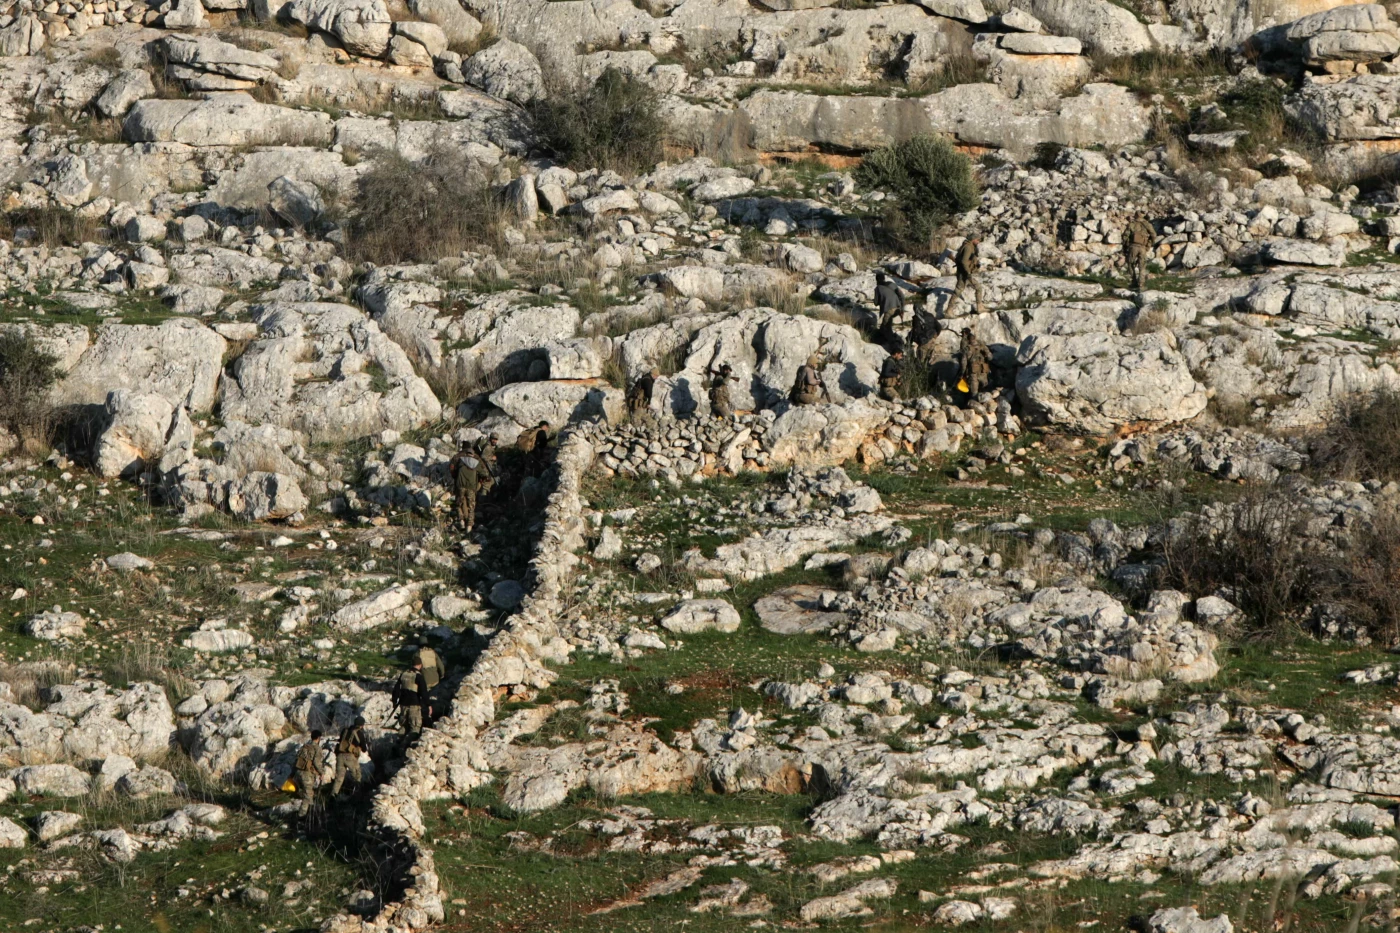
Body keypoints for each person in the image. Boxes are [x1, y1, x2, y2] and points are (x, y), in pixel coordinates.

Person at [393, 660, 430, 742]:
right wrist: (428, 705)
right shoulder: (418, 676)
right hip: (414, 705)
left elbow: (396, 689)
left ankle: (397, 744)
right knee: (415, 728)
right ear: (420, 665)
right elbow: (424, 692)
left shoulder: (404, 675)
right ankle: (408, 746)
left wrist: (394, 701)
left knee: (403, 726)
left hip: (403, 705)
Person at [447, 441, 481, 532]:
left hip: (460, 483)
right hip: (471, 485)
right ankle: (469, 526)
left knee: (459, 502)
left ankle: (461, 520)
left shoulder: (457, 456)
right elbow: (483, 472)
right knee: (471, 506)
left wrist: (455, 477)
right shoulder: (476, 457)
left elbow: (451, 468)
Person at [331, 718, 367, 797]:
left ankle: (333, 795)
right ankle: (357, 795)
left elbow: (341, 740)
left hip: (340, 756)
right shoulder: (359, 733)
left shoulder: (345, 730)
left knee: (339, 778)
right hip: (350, 757)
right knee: (357, 776)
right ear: (361, 725)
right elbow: (364, 748)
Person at [293, 729, 324, 815]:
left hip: (299, 772)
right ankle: (301, 816)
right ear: (318, 738)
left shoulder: (305, 746)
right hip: (307, 775)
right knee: (308, 796)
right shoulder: (317, 748)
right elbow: (317, 763)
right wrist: (322, 772)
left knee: (308, 794)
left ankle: (308, 813)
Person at [873, 272, 905, 352]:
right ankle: (886, 339)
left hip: (889, 310)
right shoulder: (892, 284)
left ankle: (894, 348)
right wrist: (902, 309)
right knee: (886, 325)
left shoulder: (878, 288)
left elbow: (876, 303)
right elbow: (902, 295)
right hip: (898, 308)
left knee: (886, 327)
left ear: (876, 280)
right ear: (884, 278)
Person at [953, 236, 985, 314]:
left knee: (978, 287)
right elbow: (964, 261)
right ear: (973, 239)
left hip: (965, 273)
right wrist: (968, 273)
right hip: (964, 274)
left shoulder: (970, 246)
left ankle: (980, 307)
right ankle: (949, 310)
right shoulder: (968, 247)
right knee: (958, 291)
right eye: (977, 239)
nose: (978, 242)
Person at [958, 327, 992, 398]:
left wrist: (962, 373)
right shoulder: (982, 345)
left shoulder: (967, 349)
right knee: (986, 391)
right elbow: (990, 357)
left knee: (974, 394)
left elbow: (963, 363)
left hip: (973, 374)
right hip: (983, 371)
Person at [417, 639, 446, 717]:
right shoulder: (433, 653)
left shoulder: (417, 654)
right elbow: (441, 666)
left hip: (424, 682)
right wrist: (442, 675)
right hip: (435, 681)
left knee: (424, 700)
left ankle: (425, 714)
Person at [1125, 217, 1155, 290]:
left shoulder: (1131, 224)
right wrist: (1149, 245)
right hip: (1143, 248)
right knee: (1142, 265)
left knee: (1130, 263)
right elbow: (1153, 235)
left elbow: (1125, 236)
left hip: (1133, 247)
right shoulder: (1147, 224)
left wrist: (1126, 245)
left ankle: (1134, 282)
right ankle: (1141, 284)